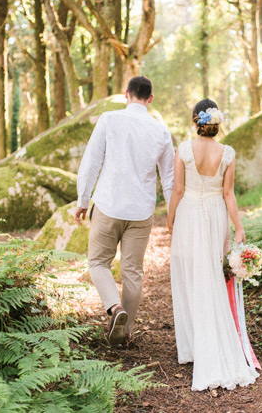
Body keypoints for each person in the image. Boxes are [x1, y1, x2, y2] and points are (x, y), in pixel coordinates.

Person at [75, 76, 175, 346]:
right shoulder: (161, 131)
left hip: (109, 204)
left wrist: (83, 200)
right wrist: (172, 214)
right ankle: (125, 332)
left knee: (98, 262)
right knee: (133, 272)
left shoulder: (109, 119)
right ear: (150, 98)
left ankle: (114, 307)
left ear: (126, 94)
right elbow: (169, 179)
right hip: (141, 212)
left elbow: (92, 161)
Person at [167, 99, 260, 391]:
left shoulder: (183, 150)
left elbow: (178, 190)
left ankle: (198, 347)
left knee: (192, 276)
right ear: (216, 121)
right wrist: (239, 226)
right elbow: (228, 194)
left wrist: (170, 222)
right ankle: (210, 342)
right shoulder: (228, 153)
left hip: (190, 214)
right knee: (213, 277)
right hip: (217, 215)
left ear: (195, 120)